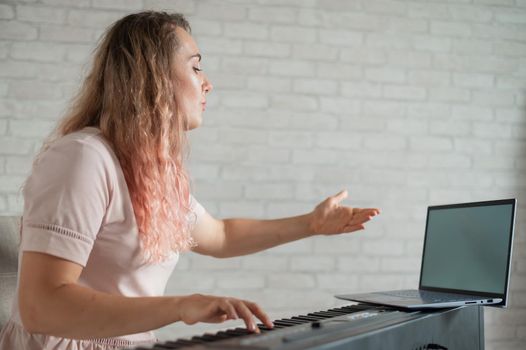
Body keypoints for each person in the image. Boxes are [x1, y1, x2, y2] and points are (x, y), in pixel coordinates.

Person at [0, 11, 380, 350]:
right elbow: (41, 306)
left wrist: (312, 224)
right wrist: (182, 306)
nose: (207, 83)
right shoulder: (84, 157)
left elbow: (221, 236)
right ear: (152, 76)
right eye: (196, 67)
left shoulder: (151, 170)